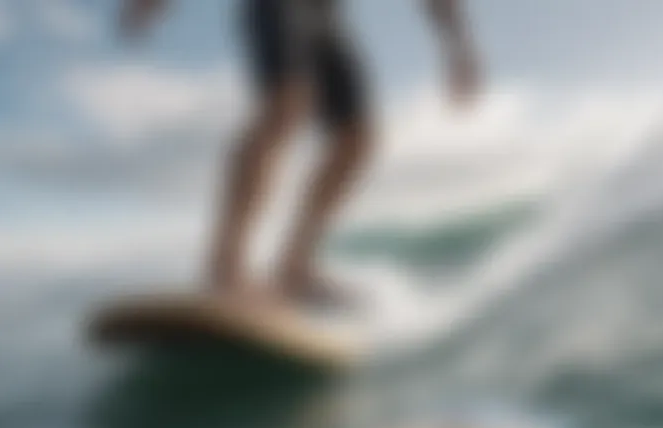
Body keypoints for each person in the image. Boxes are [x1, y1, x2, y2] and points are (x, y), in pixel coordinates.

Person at [121, 0, 482, 305]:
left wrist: (458, 49)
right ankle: (226, 269)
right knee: (287, 105)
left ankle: (295, 266)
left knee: (358, 136)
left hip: (326, 17)